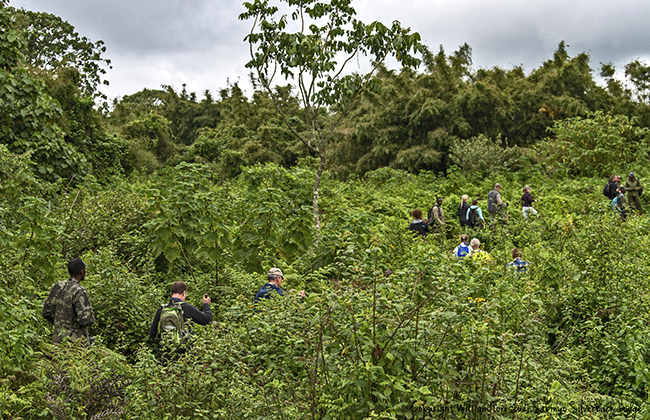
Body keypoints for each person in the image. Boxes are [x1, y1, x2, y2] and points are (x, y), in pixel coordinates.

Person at [42, 258, 96, 344]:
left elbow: (46, 312)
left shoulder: (57, 287)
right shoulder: (79, 291)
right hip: (76, 342)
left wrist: (59, 324)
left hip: (57, 339)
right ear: (81, 272)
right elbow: (87, 320)